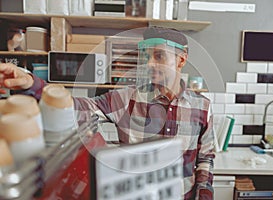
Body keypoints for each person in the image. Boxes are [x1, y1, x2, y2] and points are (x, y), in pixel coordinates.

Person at [0, 26, 215, 199]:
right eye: (147, 56)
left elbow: (205, 158)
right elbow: (77, 107)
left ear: (181, 60)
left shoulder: (202, 107)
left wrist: (204, 194)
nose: (149, 63)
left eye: (158, 56)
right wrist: (31, 82)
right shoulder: (125, 99)